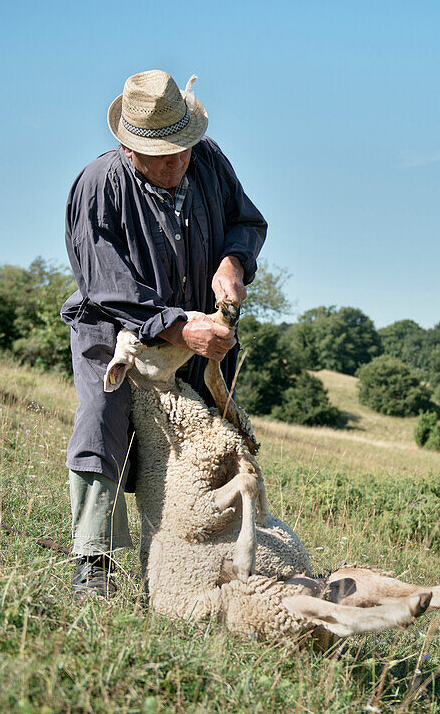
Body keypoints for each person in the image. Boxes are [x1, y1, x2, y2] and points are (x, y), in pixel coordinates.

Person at [61, 70, 267, 596]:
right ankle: (94, 562)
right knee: (101, 423)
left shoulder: (209, 161)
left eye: (184, 149)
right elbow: (107, 285)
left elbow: (247, 222)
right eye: (164, 155)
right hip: (116, 332)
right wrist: (176, 326)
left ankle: (207, 562)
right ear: (130, 150)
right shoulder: (96, 186)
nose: (178, 162)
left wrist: (232, 263)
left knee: (205, 439)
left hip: (196, 334)